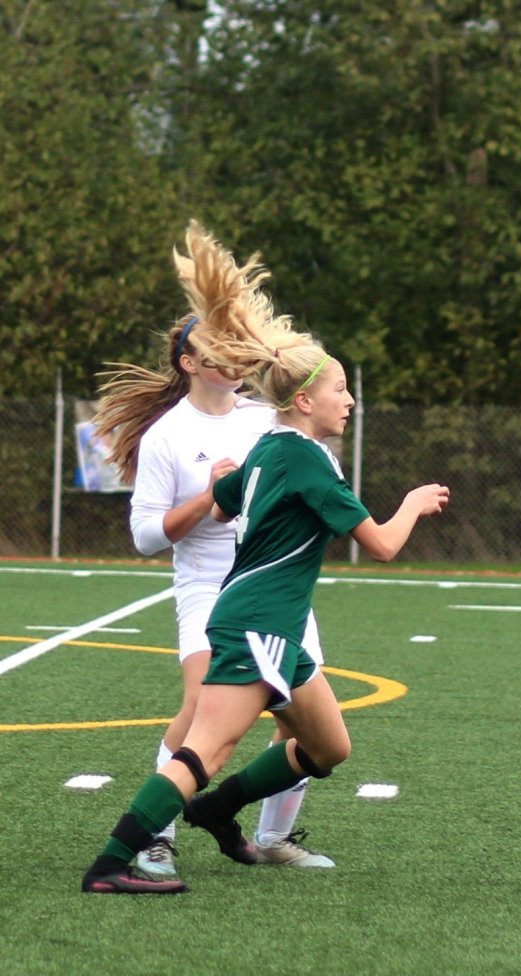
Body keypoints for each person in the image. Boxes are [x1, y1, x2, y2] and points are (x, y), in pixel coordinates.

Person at [82, 230, 450, 895]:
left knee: (329, 749)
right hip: (254, 624)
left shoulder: (269, 444)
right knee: (206, 748)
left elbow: (225, 500)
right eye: (341, 389)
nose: (350, 399)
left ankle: (217, 812)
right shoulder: (304, 459)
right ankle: (113, 864)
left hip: (272, 623)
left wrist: (228, 499)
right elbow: (384, 545)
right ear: (306, 400)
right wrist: (413, 502)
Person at [91, 224, 337, 875]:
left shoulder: (265, 417)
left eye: (233, 345)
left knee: (302, 729)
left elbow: (310, 401)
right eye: (211, 349)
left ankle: (275, 837)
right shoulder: (169, 436)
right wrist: (209, 496)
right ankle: (155, 836)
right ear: (188, 364)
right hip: (207, 585)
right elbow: (146, 536)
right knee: (201, 708)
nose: (228, 356)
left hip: (273, 583)